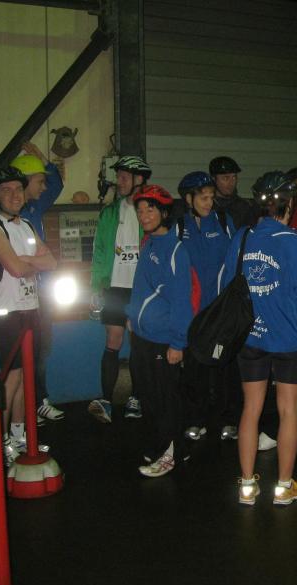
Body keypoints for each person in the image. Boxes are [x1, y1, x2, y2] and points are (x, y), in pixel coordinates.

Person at [221, 171, 297, 505]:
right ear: (290, 204)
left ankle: (247, 485)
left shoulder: (243, 237)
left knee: (250, 409)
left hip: (251, 337)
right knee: (288, 411)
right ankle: (283, 486)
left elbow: (226, 283)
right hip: (288, 339)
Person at [0, 167, 57, 464]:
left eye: (18, 189)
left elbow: (51, 262)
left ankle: (18, 435)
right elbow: (14, 269)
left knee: (27, 375)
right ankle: (1, 442)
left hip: (31, 308)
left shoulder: (25, 224)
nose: (14, 195)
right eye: (6, 190)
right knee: (11, 379)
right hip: (8, 312)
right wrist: (30, 262)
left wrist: (24, 259)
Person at [125, 184, 194, 477]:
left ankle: (170, 454)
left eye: (150, 209)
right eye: (140, 210)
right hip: (142, 336)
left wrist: (178, 343)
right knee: (149, 397)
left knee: (166, 400)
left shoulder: (176, 250)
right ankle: (162, 447)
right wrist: (131, 316)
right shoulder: (149, 243)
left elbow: (182, 301)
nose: (144, 215)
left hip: (164, 339)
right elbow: (141, 286)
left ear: (164, 213)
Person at [89, 156, 151, 423]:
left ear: (139, 179)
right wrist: (96, 286)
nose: (119, 182)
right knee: (112, 341)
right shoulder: (110, 212)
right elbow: (100, 251)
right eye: (119, 177)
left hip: (141, 289)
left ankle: (136, 397)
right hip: (115, 287)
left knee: (138, 343)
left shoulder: (150, 210)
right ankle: (106, 400)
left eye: (125, 177)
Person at [10, 143, 65, 424]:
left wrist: (40, 158)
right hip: (21, 295)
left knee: (42, 348)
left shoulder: (35, 207)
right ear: (25, 181)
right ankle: (29, 407)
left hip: (43, 290)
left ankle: (38, 402)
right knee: (25, 353)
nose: (44, 187)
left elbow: (57, 185)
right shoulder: (9, 216)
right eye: (39, 181)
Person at [177, 172, 232, 442]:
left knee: (222, 367)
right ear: (189, 199)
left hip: (219, 310)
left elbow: (235, 260)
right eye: (203, 198)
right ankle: (195, 419)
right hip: (192, 312)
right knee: (194, 368)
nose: (209, 202)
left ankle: (225, 419)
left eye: (211, 197)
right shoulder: (179, 225)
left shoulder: (223, 221)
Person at [210, 155, 257, 230]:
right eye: (225, 178)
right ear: (213, 179)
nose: (231, 182)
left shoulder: (244, 207)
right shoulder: (206, 206)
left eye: (234, 177)